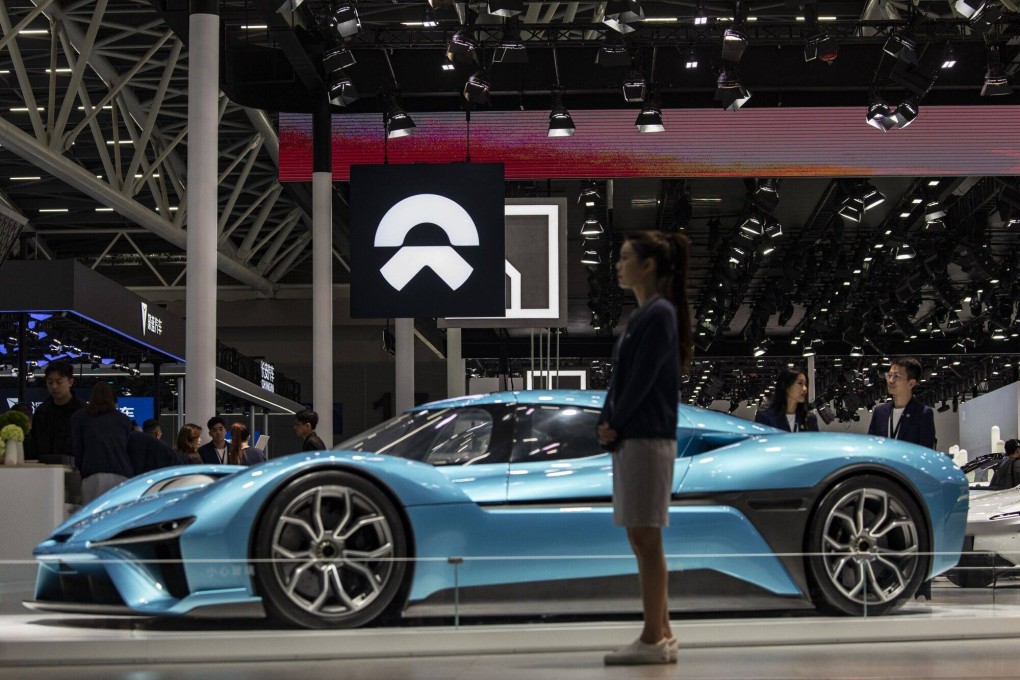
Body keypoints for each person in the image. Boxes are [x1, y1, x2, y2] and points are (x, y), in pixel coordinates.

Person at [596, 230, 692, 666]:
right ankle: (662, 633)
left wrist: (614, 421)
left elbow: (642, 379)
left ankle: (653, 638)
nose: (619, 264)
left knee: (646, 536)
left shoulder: (659, 314)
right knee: (642, 536)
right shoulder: (645, 316)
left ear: (648, 265)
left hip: (647, 437)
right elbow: (622, 382)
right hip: (636, 437)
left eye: (625, 257)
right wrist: (607, 420)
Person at [867, 356, 937, 601]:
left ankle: (922, 587)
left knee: (916, 534)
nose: (891, 379)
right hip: (883, 485)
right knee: (884, 535)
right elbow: (871, 446)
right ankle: (884, 584)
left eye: (897, 376)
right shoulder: (880, 412)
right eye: (889, 375)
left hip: (911, 485)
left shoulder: (923, 414)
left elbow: (925, 452)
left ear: (912, 383)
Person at [71, 382, 134, 503]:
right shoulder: (124, 419)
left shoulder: (79, 417)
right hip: (122, 472)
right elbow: (126, 447)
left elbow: (78, 449)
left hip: (92, 472)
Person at [24, 361, 86, 462]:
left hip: (76, 467)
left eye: (59, 382)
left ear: (70, 382)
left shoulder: (82, 412)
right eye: (50, 382)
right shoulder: (41, 412)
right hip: (45, 467)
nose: (54, 386)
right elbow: (35, 444)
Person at [754, 367, 819, 432]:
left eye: (806, 384)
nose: (805, 389)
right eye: (800, 383)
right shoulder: (765, 417)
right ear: (785, 386)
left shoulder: (809, 419)